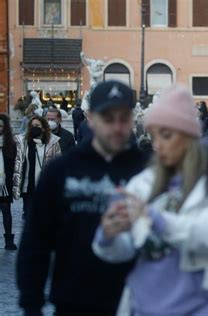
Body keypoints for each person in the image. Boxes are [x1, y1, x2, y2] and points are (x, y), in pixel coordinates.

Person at [92, 85, 208, 316]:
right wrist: (108, 236)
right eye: (154, 135)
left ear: (188, 136)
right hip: (144, 305)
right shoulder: (144, 182)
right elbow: (126, 251)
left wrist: (156, 219)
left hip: (201, 305)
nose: (158, 144)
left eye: (166, 134)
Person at [16, 81, 148, 315]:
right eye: (108, 118)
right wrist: (31, 305)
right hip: (74, 302)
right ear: (90, 118)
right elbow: (35, 243)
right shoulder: (61, 170)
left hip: (137, 303)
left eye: (124, 118)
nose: (117, 127)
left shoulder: (148, 172)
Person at [13, 116, 61, 220]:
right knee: (28, 215)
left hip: (44, 185)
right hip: (27, 185)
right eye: (32, 125)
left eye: (37, 125)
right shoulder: (22, 142)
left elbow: (58, 163)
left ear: (43, 128)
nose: (34, 128)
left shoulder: (52, 143)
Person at [0, 114, 17, 250]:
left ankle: (8, 241)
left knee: (6, 211)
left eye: (1, 126)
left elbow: (14, 165)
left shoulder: (10, 144)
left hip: (5, 184)